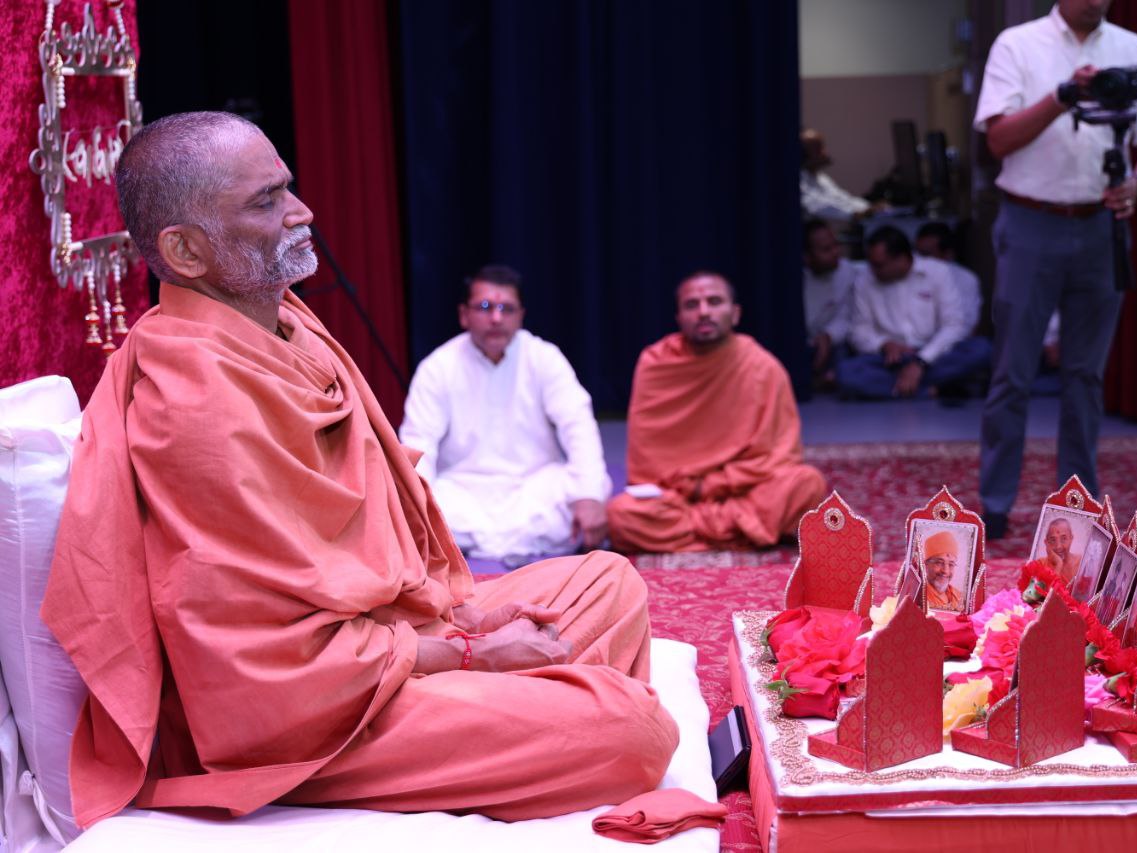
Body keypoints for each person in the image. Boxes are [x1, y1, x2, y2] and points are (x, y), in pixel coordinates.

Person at [40, 112, 677, 829]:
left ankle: (533, 722)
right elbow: (267, 661)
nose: (301, 212)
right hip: (309, 719)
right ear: (186, 250)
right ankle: (547, 725)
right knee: (633, 727)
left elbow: (370, 548)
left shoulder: (286, 325)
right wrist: (471, 654)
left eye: (288, 188)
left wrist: (466, 620)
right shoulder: (193, 407)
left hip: (381, 641)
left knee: (609, 581)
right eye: (266, 201)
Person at [974, 0, 1137, 539]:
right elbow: (998, 139)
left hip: (1101, 226)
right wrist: (1063, 95)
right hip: (1029, 222)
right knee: (1012, 372)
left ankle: (1078, 504)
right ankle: (995, 505)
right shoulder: (1017, 45)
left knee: (1086, 375)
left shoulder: (1134, 49)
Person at [399, 265, 610, 566]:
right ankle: (517, 542)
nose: (496, 318)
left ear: (521, 316)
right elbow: (419, 444)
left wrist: (588, 497)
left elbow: (578, 426)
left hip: (534, 489)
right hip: (463, 492)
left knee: (587, 489)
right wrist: (420, 509)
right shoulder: (438, 367)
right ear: (464, 315)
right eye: (485, 307)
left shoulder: (544, 358)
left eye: (507, 309)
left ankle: (468, 543)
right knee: (420, 501)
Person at [606, 272, 827, 552]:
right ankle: (746, 531)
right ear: (678, 318)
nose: (703, 312)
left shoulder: (762, 366)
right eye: (692, 305)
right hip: (680, 496)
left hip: (744, 489)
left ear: (735, 314)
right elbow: (649, 462)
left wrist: (715, 484)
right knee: (620, 515)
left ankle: (700, 534)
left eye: (714, 302)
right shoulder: (656, 364)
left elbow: (780, 455)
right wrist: (692, 488)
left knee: (807, 483)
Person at [835, 226, 992, 400]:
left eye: (879, 265)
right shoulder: (864, 280)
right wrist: (884, 344)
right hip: (891, 360)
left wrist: (921, 362)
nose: (872, 270)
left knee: (982, 349)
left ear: (901, 259)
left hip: (935, 355)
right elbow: (858, 331)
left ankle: (899, 387)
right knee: (846, 372)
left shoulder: (938, 272)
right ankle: (932, 390)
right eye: (870, 263)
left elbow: (954, 325)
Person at [801, 219, 859, 389]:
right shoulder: (793, 277)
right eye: (826, 249)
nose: (836, 252)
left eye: (836, 245)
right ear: (806, 257)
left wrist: (828, 336)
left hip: (833, 344)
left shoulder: (847, 271)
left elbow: (848, 315)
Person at [913, 221, 983, 336]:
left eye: (925, 254)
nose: (917, 259)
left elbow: (967, 327)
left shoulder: (965, 279)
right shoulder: (909, 273)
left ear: (947, 255)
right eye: (916, 252)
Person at [800, 128, 871, 222]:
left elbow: (842, 199)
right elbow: (815, 206)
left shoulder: (821, 178)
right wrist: (855, 214)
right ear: (802, 154)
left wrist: (868, 208)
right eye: (818, 149)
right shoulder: (799, 180)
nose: (824, 153)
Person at [923, 531, 964, 610]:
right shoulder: (919, 596)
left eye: (951, 564)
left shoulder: (959, 596)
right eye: (939, 563)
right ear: (926, 564)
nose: (946, 571)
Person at [1034, 518, 1082, 584]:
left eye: (1063, 539)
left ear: (1071, 538)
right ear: (1046, 542)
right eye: (1053, 540)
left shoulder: (1081, 563)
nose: (1058, 546)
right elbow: (1047, 590)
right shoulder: (1040, 564)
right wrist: (1058, 564)